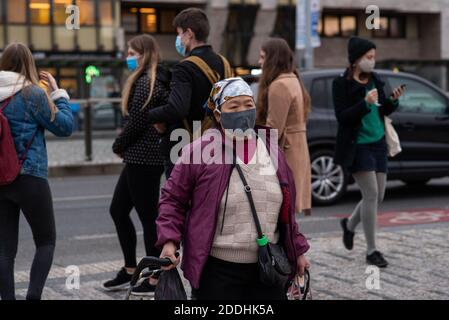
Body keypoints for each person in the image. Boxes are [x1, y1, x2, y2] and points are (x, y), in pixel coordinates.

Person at [156, 78, 310, 300]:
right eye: (234, 106)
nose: (243, 111)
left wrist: (298, 251)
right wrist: (169, 241)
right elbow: (173, 199)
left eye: (248, 105)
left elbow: (286, 212)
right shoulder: (199, 151)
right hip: (218, 273)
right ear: (218, 114)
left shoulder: (271, 149)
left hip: (268, 268)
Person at [0, 42, 73, 300]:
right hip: (30, 177)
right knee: (45, 242)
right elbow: (65, 127)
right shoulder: (32, 94)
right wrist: (58, 93)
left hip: (1, 178)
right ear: (28, 64)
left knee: (4, 250)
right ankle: (33, 297)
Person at [102, 35, 170, 296]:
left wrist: (118, 144)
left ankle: (154, 276)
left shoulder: (146, 83)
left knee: (148, 218)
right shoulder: (150, 80)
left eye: (132, 52)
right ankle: (130, 269)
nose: (128, 56)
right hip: (140, 158)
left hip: (144, 158)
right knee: (119, 210)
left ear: (144, 54)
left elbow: (137, 121)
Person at [333, 37, 404, 267]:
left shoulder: (375, 79)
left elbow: (383, 108)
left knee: (378, 196)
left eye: (374, 57)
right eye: (368, 57)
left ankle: (350, 225)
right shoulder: (341, 84)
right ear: (356, 60)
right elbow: (342, 117)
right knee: (371, 194)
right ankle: (372, 251)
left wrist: (393, 101)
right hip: (358, 146)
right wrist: (364, 103)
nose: (372, 62)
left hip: (378, 143)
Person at [145, 7, 232, 178]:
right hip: (218, 142)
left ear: (189, 33)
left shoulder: (185, 67)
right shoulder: (224, 63)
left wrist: (150, 114)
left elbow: (177, 109)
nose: (178, 39)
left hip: (186, 144)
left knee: (178, 200)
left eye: (179, 34)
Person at [257, 38, 312, 216]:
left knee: (281, 211)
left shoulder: (279, 85)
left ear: (273, 59)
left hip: (285, 152)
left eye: (262, 57)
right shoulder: (293, 79)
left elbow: (272, 129)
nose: (259, 62)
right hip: (297, 148)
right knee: (288, 214)